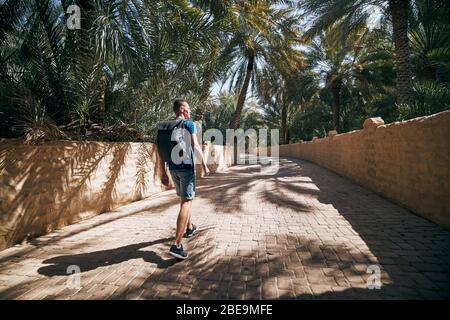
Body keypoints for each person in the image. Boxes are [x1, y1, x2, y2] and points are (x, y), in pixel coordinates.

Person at [159, 99, 210, 259]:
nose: (190, 111)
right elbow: (195, 145)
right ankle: (177, 244)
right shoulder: (189, 124)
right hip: (186, 168)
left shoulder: (165, 126)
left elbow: (160, 150)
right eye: (188, 108)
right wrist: (205, 164)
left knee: (184, 199)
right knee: (187, 202)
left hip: (172, 168)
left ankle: (189, 227)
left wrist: (163, 172)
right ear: (182, 110)